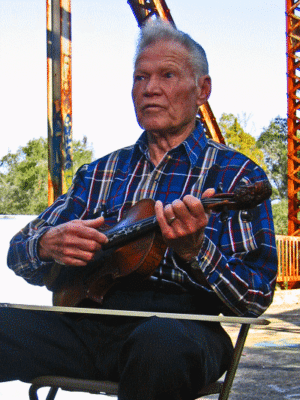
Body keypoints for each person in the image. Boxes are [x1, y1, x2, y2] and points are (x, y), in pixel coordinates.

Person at [1, 19, 277, 400]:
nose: (150, 89)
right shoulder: (100, 172)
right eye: (140, 77)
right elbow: (18, 254)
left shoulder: (236, 175)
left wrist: (199, 253)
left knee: (160, 345)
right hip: (88, 321)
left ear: (203, 90)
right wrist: (46, 245)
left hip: (183, 327)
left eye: (167, 75)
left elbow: (256, 298)